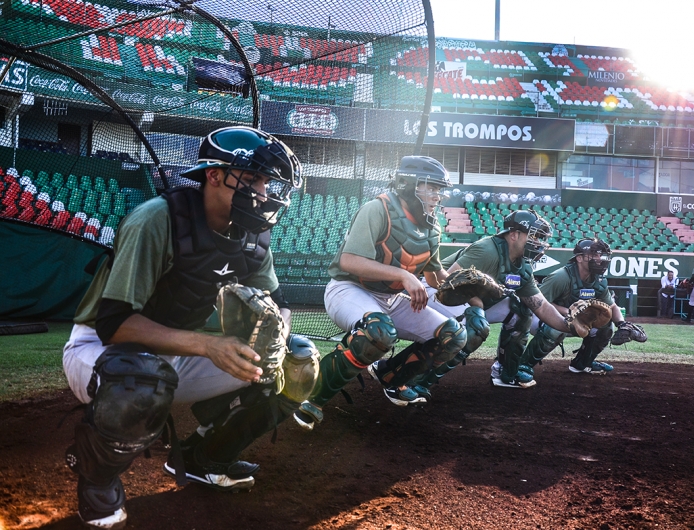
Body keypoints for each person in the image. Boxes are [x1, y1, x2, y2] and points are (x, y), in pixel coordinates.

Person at [61, 126, 307, 530]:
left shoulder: (253, 234)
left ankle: (204, 459)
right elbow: (112, 323)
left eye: (267, 181)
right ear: (214, 175)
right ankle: (96, 477)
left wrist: (276, 338)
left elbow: (279, 303)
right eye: (254, 178)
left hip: (176, 354)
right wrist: (208, 346)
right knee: (141, 379)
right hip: (103, 351)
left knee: (296, 361)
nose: (264, 192)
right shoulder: (156, 219)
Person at [293, 156, 466, 430]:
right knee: (377, 332)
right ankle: (312, 398)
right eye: (431, 187)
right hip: (349, 289)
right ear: (409, 184)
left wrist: (462, 285)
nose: (437, 195)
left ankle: (391, 377)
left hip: (391, 299)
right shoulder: (378, 209)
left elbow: (434, 277)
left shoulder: (432, 227)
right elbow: (349, 260)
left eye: (439, 189)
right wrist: (404, 275)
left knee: (453, 335)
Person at [410, 209, 574, 396]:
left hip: (470, 300)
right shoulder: (487, 250)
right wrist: (477, 304)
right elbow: (449, 282)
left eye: (539, 238)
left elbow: (541, 306)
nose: (538, 242)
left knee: (520, 310)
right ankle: (417, 381)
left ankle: (505, 372)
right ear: (514, 235)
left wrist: (569, 325)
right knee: (476, 326)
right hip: (436, 292)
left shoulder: (523, 266)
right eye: (534, 236)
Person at [521, 238, 626, 375]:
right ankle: (523, 365)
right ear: (579, 258)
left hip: (575, 322)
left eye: (600, 255)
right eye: (593, 254)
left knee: (606, 326)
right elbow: (537, 303)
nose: (599, 258)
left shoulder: (599, 280)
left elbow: (612, 306)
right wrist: (569, 312)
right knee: (557, 328)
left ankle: (582, 363)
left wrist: (622, 324)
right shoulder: (561, 277)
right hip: (541, 318)